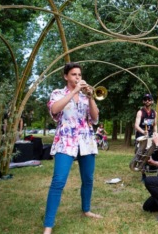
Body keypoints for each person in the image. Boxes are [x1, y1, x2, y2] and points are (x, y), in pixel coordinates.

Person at [43, 62, 102, 234]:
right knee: (58, 181)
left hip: (85, 141)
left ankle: (86, 210)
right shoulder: (58, 93)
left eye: (79, 74)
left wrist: (90, 97)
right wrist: (74, 92)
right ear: (66, 76)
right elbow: (54, 109)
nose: (77, 77)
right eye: (74, 74)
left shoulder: (86, 95)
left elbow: (95, 118)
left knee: (88, 179)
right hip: (65, 141)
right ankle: (48, 225)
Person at [134, 93, 158, 180]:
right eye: (145, 99)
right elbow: (136, 125)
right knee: (141, 155)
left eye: (149, 99)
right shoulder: (140, 112)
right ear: (143, 101)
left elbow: (155, 125)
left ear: (152, 101)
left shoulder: (154, 113)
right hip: (141, 137)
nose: (147, 101)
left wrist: (156, 133)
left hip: (150, 136)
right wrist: (143, 131)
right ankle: (143, 174)